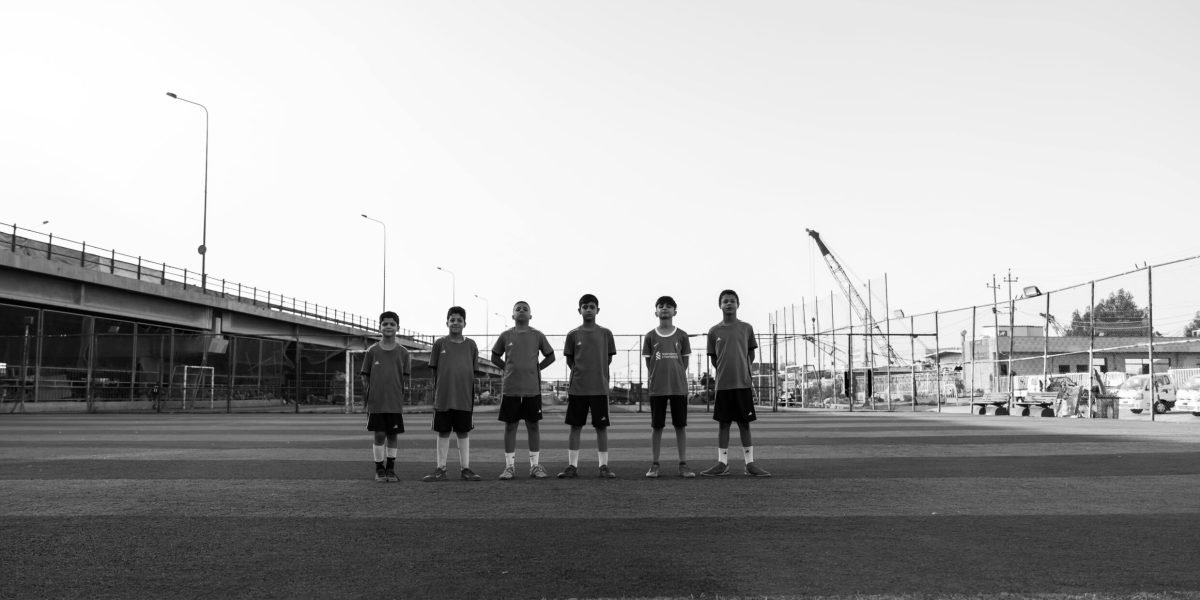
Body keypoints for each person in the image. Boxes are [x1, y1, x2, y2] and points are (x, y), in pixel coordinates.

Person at [701, 290, 771, 477]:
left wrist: (742, 370)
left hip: (742, 384)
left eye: (732, 301)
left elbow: (751, 354)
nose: (729, 304)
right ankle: (722, 463)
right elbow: (714, 359)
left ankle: (750, 464)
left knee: (744, 424)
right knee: (723, 424)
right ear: (720, 305)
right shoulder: (713, 331)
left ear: (738, 304)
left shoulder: (746, 328)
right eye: (725, 301)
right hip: (723, 385)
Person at [492, 300, 556, 480]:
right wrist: (506, 368)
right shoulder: (506, 336)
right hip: (511, 389)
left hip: (532, 390)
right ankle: (509, 466)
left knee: (533, 426)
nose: (521, 311)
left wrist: (538, 369)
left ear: (530, 315)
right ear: (513, 315)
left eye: (525, 309)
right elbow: (494, 356)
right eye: (518, 309)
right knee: (510, 426)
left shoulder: (537, 335)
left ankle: (534, 466)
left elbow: (551, 356)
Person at [558, 293, 618, 479]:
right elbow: (570, 359)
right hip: (578, 388)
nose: (589, 310)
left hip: (599, 388)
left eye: (592, 307)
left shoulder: (606, 333)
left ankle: (603, 466)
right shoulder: (573, 335)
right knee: (575, 427)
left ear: (597, 310)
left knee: (601, 427)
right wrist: (581, 373)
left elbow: (607, 358)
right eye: (585, 307)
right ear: (579, 310)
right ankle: (572, 466)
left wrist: (596, 372)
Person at [422, 306, 482, 482]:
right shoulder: (440, 344)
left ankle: (466, 469)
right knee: (443, 432)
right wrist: (439, 389)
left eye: (459, 320)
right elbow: (434, 371)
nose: (456, 323)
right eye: (452, 320)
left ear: (465, 323)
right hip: (443, 397)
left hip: (464, 397)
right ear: (447, 322)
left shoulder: (471, 345)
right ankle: (441, 469)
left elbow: (474, 371)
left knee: (463, 432)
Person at [642, 295, 695, 478]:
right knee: (657, 426)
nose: (665, 308)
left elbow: (684, 362)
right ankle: (655, 464)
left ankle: (683, 464)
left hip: (678, 387)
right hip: (657, 388)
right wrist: (658, 376)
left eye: (669, 306)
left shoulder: (682, 335)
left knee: (680, 426)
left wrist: (675, 375)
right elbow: (650, 364)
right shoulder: (650, 336)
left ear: (675, 311)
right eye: (661, 306)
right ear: (655, 311)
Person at [359, 311, 412, 482]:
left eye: (392, 324)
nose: (388, 326)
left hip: (394, 401)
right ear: (380, 327)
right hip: (376, 402)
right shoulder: (372, 351)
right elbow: (364, 374)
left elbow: (404, 376)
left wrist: (397, 391)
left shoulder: (403, 352)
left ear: (397, 327)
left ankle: (391, 468)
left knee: (392, 434)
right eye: (385, 324)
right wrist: (370, 392)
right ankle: (379, 468)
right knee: (379, 434)